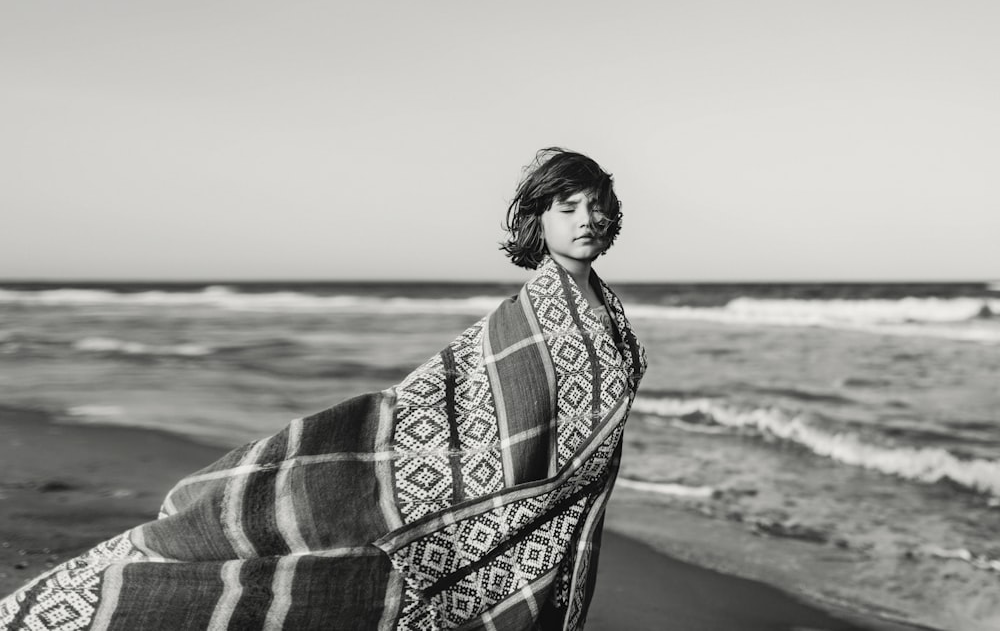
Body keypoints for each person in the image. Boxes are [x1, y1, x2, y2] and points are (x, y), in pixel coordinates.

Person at [0, 148, 646, 630]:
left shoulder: (607, 309)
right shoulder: (532, 308)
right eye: (568, 208)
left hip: (560, 507)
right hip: (498, 497)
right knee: (340, 568)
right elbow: (462, 396)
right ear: (540, 220)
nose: (586, 218)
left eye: (595, 206)